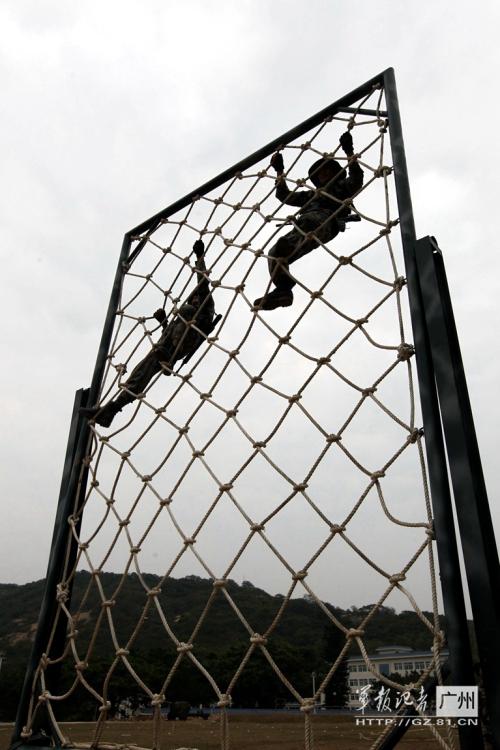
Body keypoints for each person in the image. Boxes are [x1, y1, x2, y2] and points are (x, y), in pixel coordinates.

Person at [80, 239, 220, 427]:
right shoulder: (185, 315)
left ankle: (167, 358)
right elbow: (172, 336)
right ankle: (111, 410)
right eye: (193, 297)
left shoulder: (204, 308)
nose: (194, 298)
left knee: (185, 313)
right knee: (143, 369)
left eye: (196, 296)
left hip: (184, 345)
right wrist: (164, 323)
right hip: (167, 351)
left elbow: (203, 283)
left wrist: (200, 257)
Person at [253, 130, 364, 311]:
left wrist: (349, 152)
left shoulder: (340, 187)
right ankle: (283, 290)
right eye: (319, 173)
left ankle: (283, 289)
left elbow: (356, 180)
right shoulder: (311, 195)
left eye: (327, 170)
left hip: (325, 223)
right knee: (276, 250)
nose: (323, 174)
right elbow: (284, 196)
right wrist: (280, 171)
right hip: (304, 227)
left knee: (309, 223)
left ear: (335, 172)